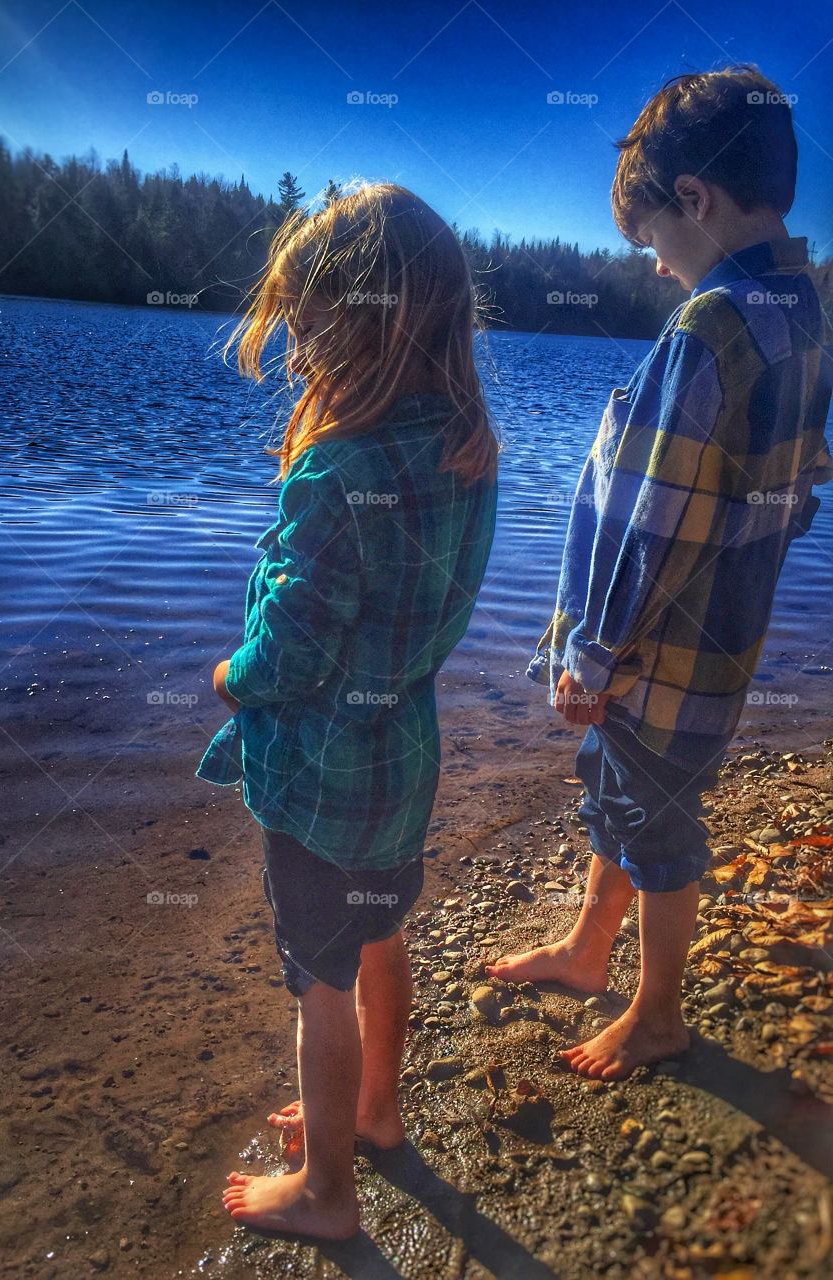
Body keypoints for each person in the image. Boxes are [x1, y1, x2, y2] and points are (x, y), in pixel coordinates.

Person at [487, 65, 833, 1081]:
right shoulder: (807, 315)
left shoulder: (712, 327)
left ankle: (659, 1013)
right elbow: (801, 487)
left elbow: (654, 519)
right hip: (726, 635)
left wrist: (593, 657)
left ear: (696, 200)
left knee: (657, 820)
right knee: (628, 790)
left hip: (654, 648)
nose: (659, 268)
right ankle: (591, 948)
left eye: (656, 242)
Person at [196, 181, 499, 1238]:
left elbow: (295, 645)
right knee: (381, 935)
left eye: (308, 315)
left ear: (357, 320)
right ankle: (376, 1109)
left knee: (319, 982)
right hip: (402, 757)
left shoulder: (335, 467)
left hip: (321, 776)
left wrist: (233, 675)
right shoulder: (470, 449)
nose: (297, 339)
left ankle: (327, 1193)